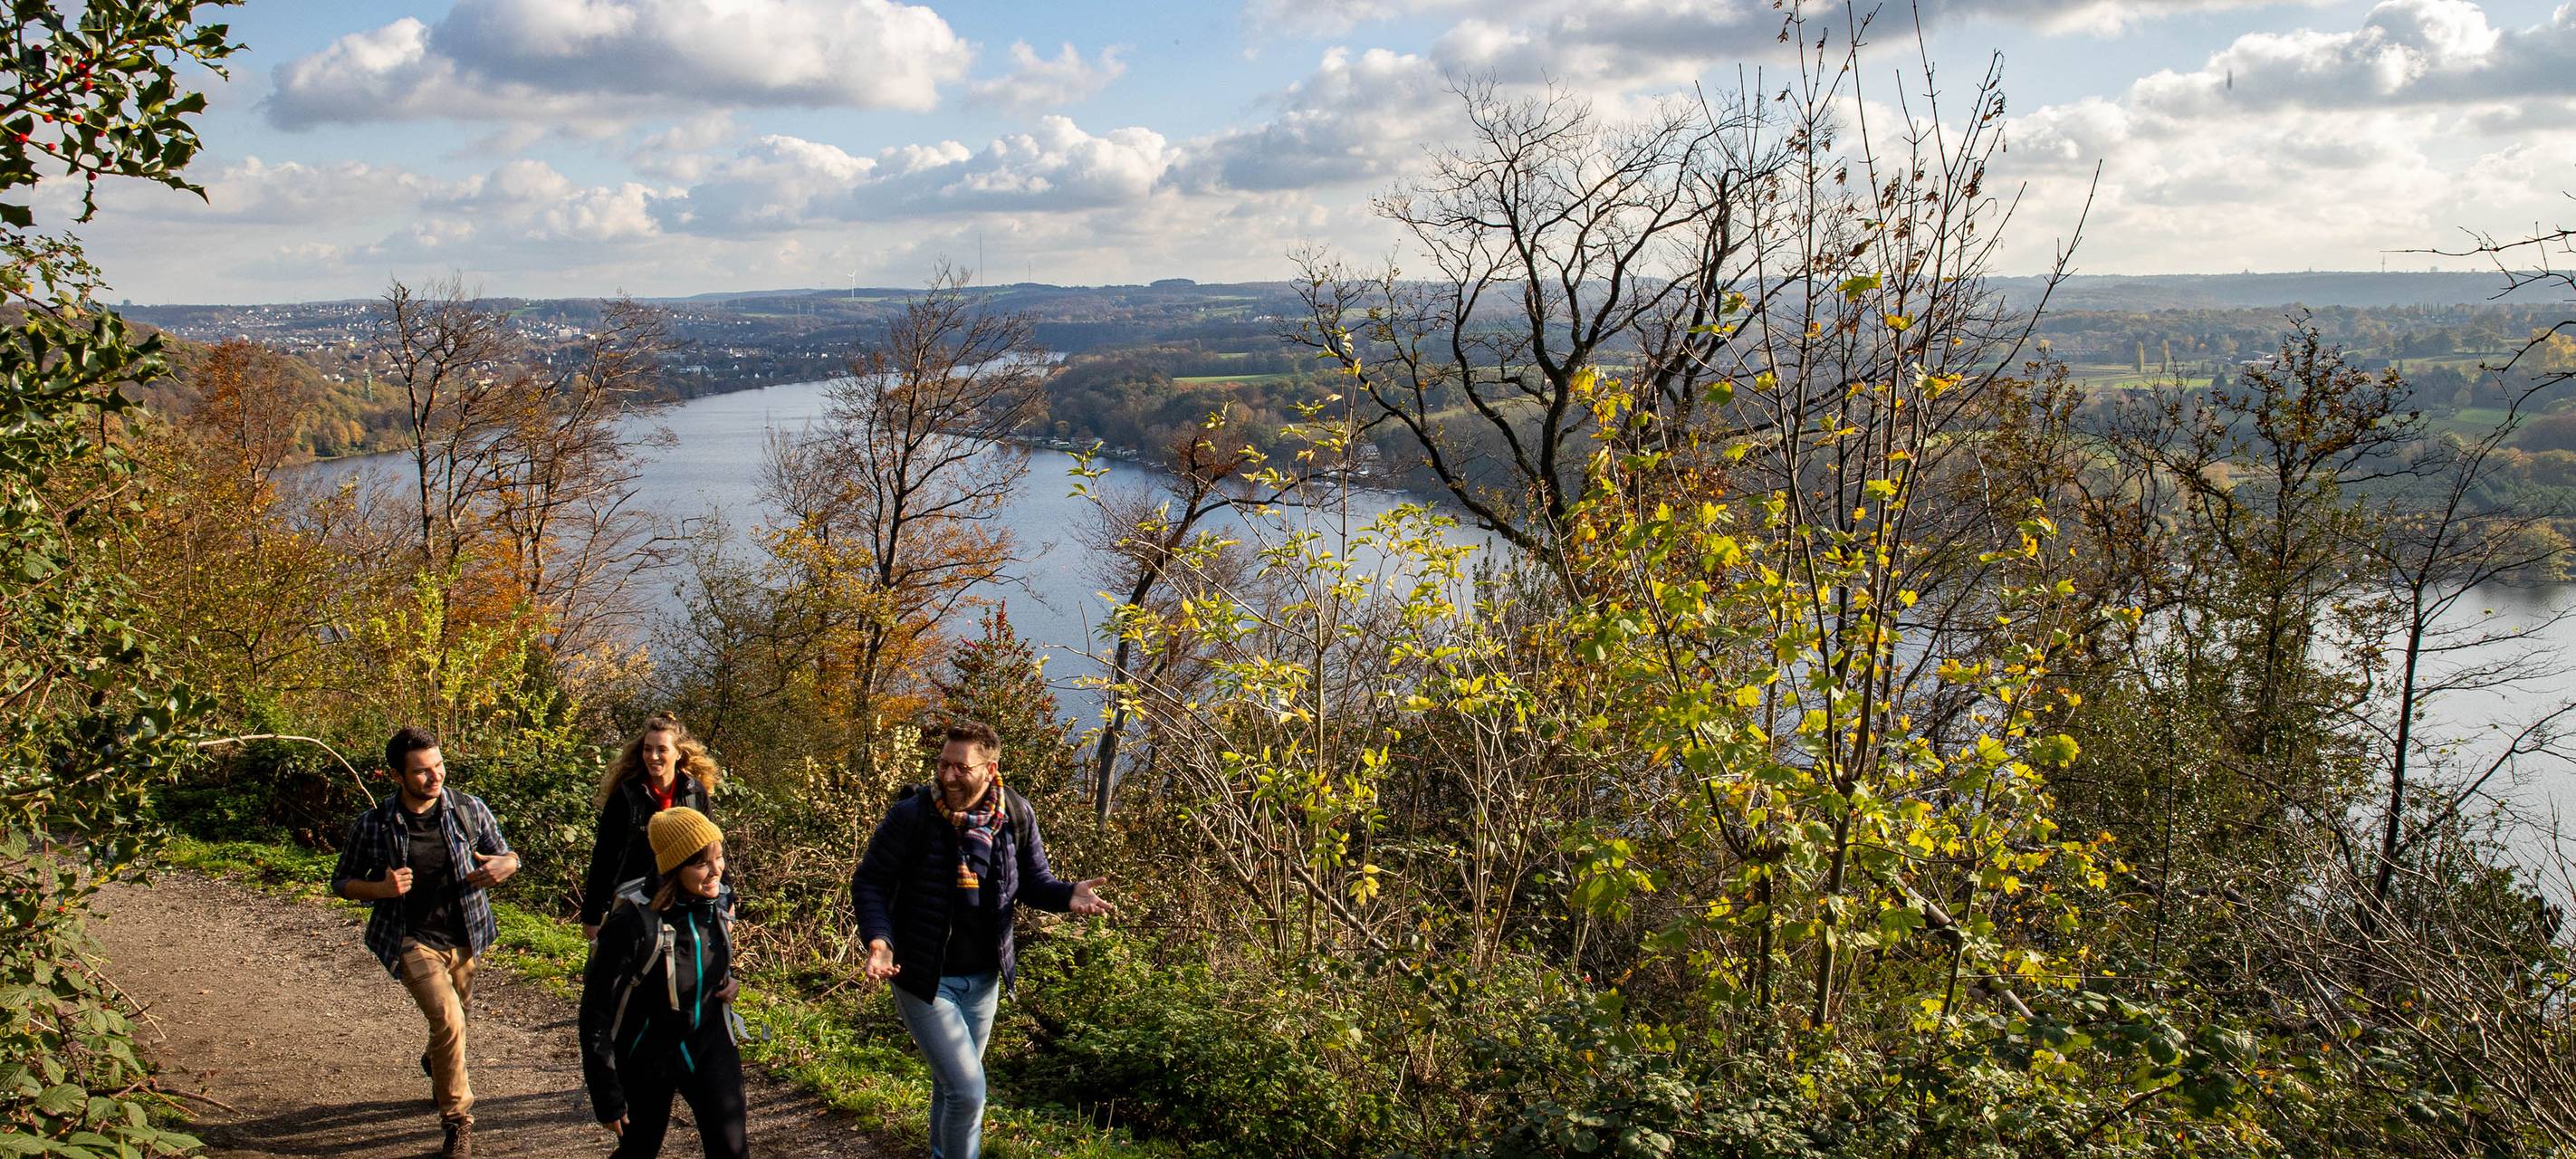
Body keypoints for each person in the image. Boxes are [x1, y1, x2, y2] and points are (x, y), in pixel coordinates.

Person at [849, 719, 1113, 1159]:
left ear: (990, 770)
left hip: (984, 979)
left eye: (961, 768)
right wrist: (879, 940)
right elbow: (870, 882)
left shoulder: (1014, 814)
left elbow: (1031, 882)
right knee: (968, 1092)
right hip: (923, 977)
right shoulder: (911, 815)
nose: (948, 776)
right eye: (943, 764)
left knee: (951, 1086)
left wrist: (1068, 894)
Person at [330, 726, 521, 1159]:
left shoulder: (468, 810)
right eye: (421, 772)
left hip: (467, 935)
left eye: (438, 766)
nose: (434, 777)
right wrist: (381, 888)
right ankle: (458, 1123)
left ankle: (436, 1064)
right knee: (451, 1020)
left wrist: (507, 865)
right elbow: (341, 882)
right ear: (396, 775)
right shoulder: (375, 825)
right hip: (411, 939)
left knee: (457, 1020)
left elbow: (506, 854)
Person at [579, 807, 748, 1159]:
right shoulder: (631, 923)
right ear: (674, 868)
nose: (716, 870)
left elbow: (709, 962)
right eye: (702, 863)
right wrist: (607, 1093)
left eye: (718, 858)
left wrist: (729, 981)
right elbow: (596, 1011)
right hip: (648, 1053)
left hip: (710, 1041)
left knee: (732, 1150)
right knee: (639, 1149)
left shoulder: (718, 902)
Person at [584, 713, 723, 940]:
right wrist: (591, 916)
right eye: (648, 749)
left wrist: (726, 899)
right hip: (635, 903)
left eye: (662, 749)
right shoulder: (626, 795)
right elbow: (604, 857)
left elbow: (711, 849)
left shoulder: (694, 792)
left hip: (684, 900)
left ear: (679, 753)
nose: (653, 756)